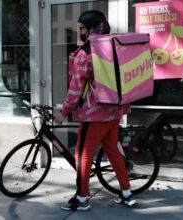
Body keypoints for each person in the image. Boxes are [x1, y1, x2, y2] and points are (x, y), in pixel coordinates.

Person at [54, 10, 136, 211]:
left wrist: (64, 113)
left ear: (91, 29)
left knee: (83, 155)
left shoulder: (86, 53)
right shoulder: (115, 47)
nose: (78, 31)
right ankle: (126, 193)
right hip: (114, 112)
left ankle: (82, 199)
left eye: (80, 28)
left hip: (94, 115)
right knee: (113, 151)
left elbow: (75, 90)